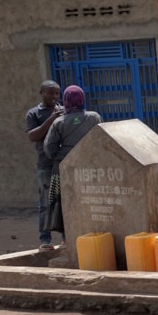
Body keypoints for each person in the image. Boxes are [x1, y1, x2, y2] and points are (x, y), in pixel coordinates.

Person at [42, 84, 101, 239]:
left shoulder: (59, 122)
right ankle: (92, 234)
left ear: (66, 100)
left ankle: (67, 238)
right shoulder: (94, 117)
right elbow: (102, 139)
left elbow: (49, 148)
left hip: (64, 168)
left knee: (64, 201)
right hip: (90, 166)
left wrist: (63, 156)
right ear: (82, 99)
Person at [25, 80, 64, 250]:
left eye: (57, 93)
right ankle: (45, 240)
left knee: (65, 202)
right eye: (50, 93)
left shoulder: (63, 110)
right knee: (46, 204)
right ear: (41, 92)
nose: (54, 97)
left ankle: (66, 238)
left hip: (62, 163)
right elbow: (33, 136)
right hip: (45, 165)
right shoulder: (34, 113)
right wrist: (52, 119)